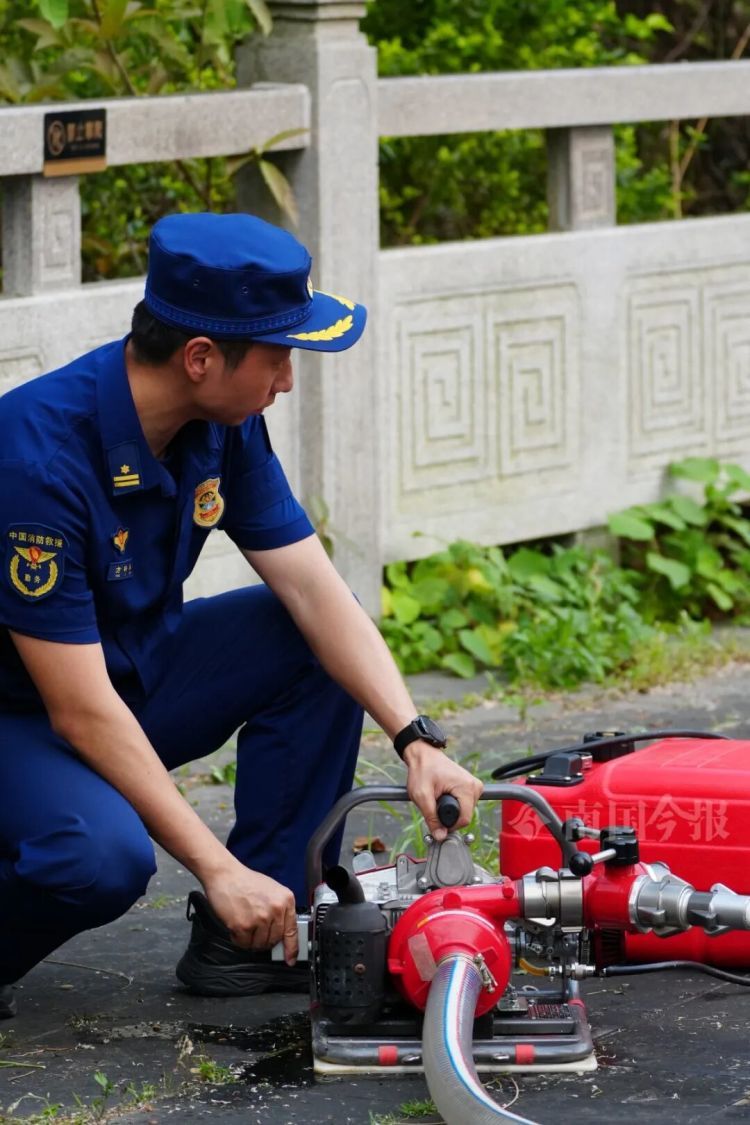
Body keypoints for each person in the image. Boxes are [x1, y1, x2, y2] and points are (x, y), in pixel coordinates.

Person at [0, 212, 483, 1018]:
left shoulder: (222, 426)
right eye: (278, 356)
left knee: (307, 638)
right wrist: (215, 866)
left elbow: (315, 592)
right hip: (26, 714)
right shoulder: (35, 458)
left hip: (128, 674)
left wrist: (416, 739)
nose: (287, 380)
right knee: (99, 856)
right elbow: (79, 710)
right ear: (199, 358)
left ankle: (253, 934)